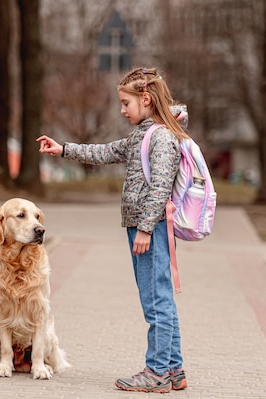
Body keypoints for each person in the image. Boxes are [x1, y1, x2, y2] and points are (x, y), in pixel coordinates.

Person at [36, 67, 189, 393]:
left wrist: (146, 230)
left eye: (125, 103)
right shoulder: (144, 134)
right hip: (145, 226)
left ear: (146, 99)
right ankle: (174, 370)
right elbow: (105, 151)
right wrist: (63, 149)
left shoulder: (160, 137)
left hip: (152, 228)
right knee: (161, 299)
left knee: (155, 301)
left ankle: (157, 371)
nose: (122, 110)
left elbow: (161, 187)